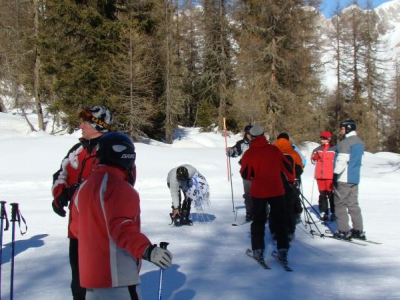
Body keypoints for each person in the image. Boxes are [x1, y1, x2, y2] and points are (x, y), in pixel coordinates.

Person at [70, 132, 172, 299]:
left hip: (91, 281)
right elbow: (122, 229)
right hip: (118, 280)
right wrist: (148, 250)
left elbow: (76, 229)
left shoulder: (84, 187)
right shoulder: (120, 188)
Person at [51, 106, 118, 300]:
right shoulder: (77, 150)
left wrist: (79, 190)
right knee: (78, 281)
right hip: (77, 229)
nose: (80, 125)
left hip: (100, 231)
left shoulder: (113, 150)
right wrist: (60, 194)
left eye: (85, 122)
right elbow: (60, 174)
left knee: (99, 283)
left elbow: (119, 185)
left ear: (98, 125)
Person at [240, 125, 295, 265]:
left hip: (259, 191)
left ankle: (258, 250)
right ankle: (283, 249)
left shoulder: (249, 153)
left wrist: (254, 173)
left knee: (258, 220)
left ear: (251, 137)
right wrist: (291, 180)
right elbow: (287, 166)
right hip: (277, 189)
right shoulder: (274, 149)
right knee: (280, 220)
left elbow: (245, 174)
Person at [333, 119, 366, 240]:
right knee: (353, 204)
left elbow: (342, 160)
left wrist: (335, 174)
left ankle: (343, 230)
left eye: (342, 128)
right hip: (354, 177)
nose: (341, 131)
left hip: (344, 178)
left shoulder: (345, 143)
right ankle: (358, 230)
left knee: (340, 203)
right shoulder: (360, 142)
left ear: (348, 128)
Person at [274, 133, 304, 224]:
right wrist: (296, 175)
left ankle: (276, 219)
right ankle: (297, 213)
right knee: (294, 197)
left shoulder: (272, 152)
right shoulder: (294, 153)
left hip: (276, 181)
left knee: (276, 199)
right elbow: (299, 168)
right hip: (291, 181)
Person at [226, 124, 254, 221]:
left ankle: (263, 212)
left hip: (259, 172)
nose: (250, 135)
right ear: (245, 134)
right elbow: (235, 152)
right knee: (248, 194)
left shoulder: (259, 143)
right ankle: (249, 212)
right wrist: (230, 151)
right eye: (248, 133)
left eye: (251, 133)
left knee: (261, 193)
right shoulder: (242, 143)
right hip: (247, 173)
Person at [311, 131, 337, 221]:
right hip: (320, 176)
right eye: (321, 138)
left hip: (329, 176)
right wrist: (314, 158)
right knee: (322, 195)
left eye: (324, 138)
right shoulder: (317, 149)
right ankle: (324, 212)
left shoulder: (334, 149)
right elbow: (313, 159)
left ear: (329, 139)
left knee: (331, 195)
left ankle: (334, 212)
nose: (322, 140)